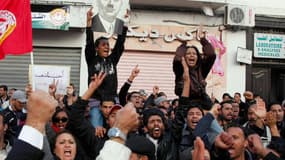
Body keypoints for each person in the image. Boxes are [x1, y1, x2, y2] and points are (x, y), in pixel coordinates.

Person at [85, 8, 128, 128]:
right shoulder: (91, 60)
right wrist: (89, 24)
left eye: (108, 45)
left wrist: (123, 23)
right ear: (97, 48)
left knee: (118, 127)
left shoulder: (112, 60)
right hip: (96, 102)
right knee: (96, 129)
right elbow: (89, 43)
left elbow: (120, 43)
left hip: (112, 102)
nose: (107, 47)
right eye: (103, 45)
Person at [173, 27, 216, 110]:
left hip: (201, 107)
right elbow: (177, 59)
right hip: (185, 106)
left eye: (194, 54)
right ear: (184, 57)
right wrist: (183, 44)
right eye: (188, 54)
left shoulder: (201, 70)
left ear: (198, 57)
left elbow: (211, 55)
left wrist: (203, 40)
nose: (191, 55)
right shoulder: (180, 70)